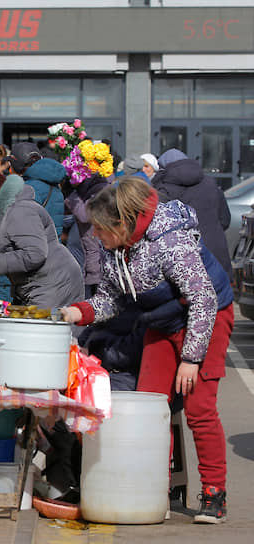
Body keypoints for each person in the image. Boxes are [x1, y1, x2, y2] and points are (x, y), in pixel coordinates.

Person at [60, 177, 233, 524]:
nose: (95, 236)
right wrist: (80, 311)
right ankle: (155, 488)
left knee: (199, 409)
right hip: (163, 321)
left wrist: (191, 358)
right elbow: (112, 298)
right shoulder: (115, 250)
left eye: (100, 229)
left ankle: (215, 494)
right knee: (151, 405)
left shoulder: (169, 241)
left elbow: (203, 298)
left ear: (122, 225)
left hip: (206, 320)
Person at [0, 171, 84, 309]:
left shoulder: (20, 211)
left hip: (52, 283)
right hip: (42, 281)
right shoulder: (10, 211)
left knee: (46, 329)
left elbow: (35, 254)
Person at [152, 148, 231, 278]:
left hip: (186, 260)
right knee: (220, 295)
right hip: (217, 254)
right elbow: (225, 220)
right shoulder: (210, 184)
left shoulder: (164, 189)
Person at [65, 174, 110, 298]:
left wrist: (71, 196)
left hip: (97, 256)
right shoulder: (94, 189)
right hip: (91, 252)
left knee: (94, 298)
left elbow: (84, 215)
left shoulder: (99, 191)